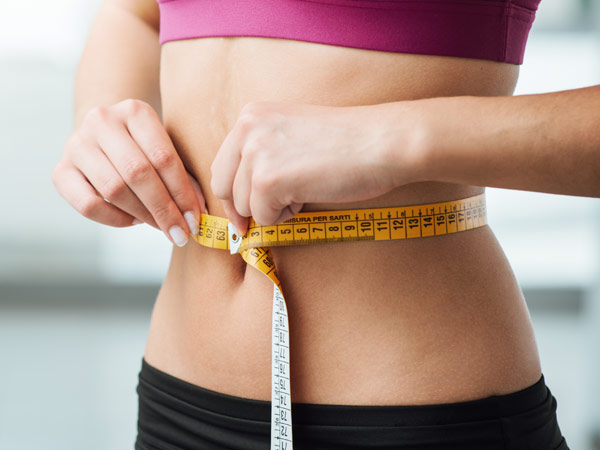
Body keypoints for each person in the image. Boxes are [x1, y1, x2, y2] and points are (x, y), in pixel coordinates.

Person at [51, 0, 599, 448]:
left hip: (412, 416)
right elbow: (138, 13)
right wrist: (102, 114)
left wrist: (391, 138)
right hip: (177, 403)